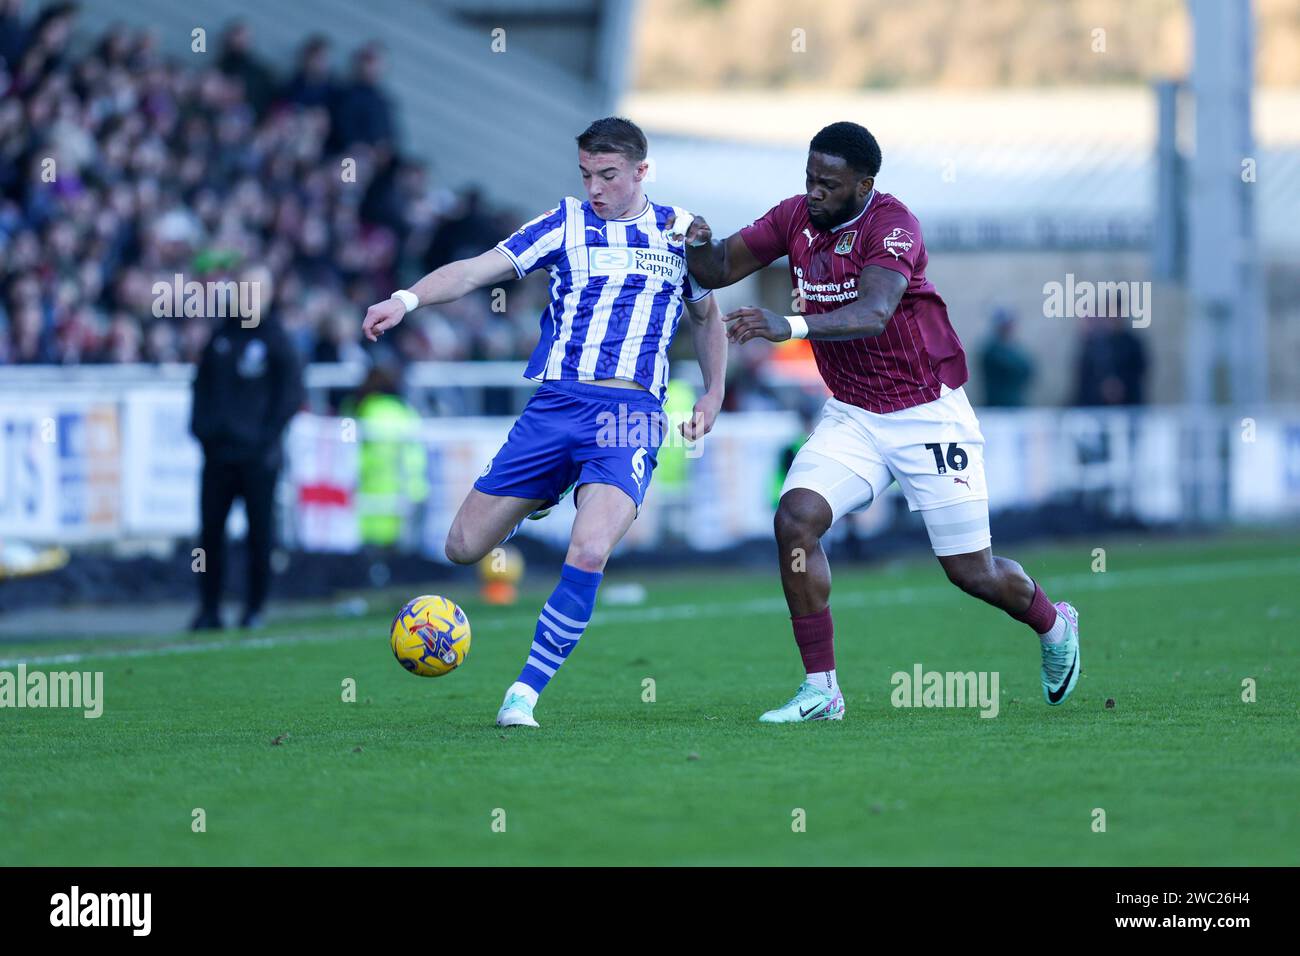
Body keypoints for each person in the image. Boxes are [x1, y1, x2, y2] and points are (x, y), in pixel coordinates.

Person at [679, 121, 1081, 722]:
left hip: (926, 414)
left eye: (829, 184)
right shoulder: (794, 217)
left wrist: (786, 325)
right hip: (854, 415)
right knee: (795, 520)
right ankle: (822, 690)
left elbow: (872, 312)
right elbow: (714, 270)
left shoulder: (893, 226)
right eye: (809, 178)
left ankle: (1054, 624)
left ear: (864, 185)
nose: (814, 192)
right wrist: (696, 242)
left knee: (973, 574)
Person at [362, 117, 726, 729]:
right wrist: (405, 301)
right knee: (462, 548)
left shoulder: (680, 234)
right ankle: (547, 489)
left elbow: (708, 316)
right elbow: (478, 270)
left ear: (641, 172)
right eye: (587, 175)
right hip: (556, 407)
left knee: (588, 550)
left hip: (630, 414)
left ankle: (524, 693)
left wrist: (714, 391)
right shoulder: (563, 223)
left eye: (608, 175)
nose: (596, 189)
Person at [189, 263, 305, 630]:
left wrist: (263, 440)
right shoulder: (220, 336)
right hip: (218, 456)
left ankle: (254, 608)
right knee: (209, 537)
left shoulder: (276, 341)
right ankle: (209, 609)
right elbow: (200, 387)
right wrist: (203, 431)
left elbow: (290, 397)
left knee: (260, 535)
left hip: (258, 459)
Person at [979, 307, 1035, 407]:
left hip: (1016, 404)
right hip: (996, 406)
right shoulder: (991, 351)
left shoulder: (1015, 349)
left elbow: (1028, 369)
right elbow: (1011, 366)